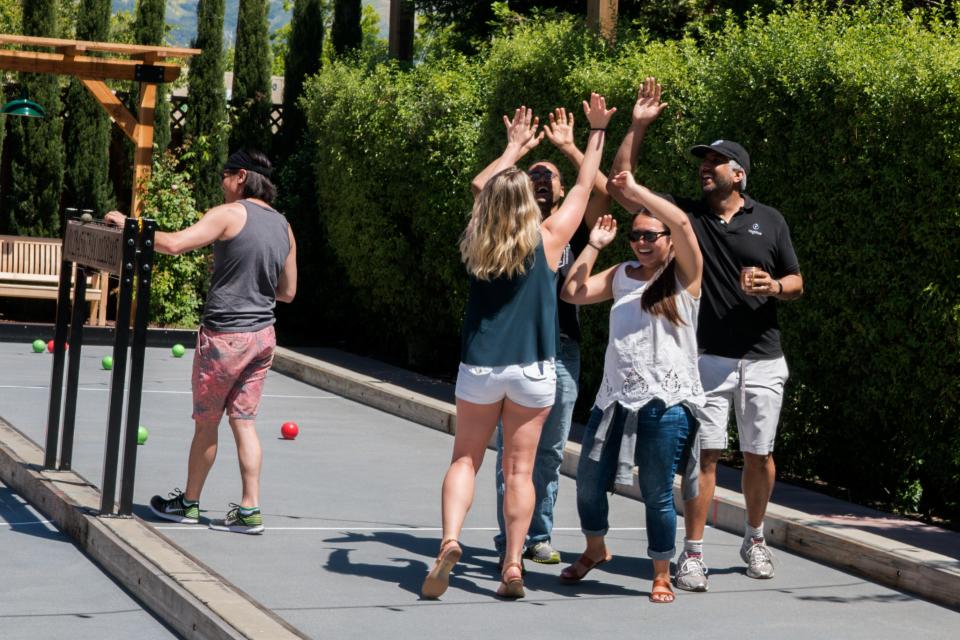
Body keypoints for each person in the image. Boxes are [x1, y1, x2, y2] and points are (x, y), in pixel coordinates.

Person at [608, 78, 804, 591]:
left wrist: (775, 285)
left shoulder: (771, 220)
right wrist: (637, 126)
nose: (704, 167)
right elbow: (621, 184)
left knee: (759, 455)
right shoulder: (685, 218)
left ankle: (755, 538)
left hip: (762, 357)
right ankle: (692, 554)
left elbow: (798, 281)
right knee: (706, 454)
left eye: (714, 161)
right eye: (702, 161)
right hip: (707, 358)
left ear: (738, 174)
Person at [421, 94, 616, 600]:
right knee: (521, 470)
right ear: (530, 203)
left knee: (465, 459)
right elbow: (580, 186)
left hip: (480, 367)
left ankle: (449, 540)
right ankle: (512, 564)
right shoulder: (550, 238)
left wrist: (512, 149)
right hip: (534, 369)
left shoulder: (478, 238)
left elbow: (481, 185)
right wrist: (594, 133)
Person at [105, 149, 298, 535]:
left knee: (207, 422)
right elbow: (288, 292)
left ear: (240, 176)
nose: (222, 184)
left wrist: (130, 226)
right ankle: (249, 510)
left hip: (225, 336)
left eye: (225, 176)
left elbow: (175, 244)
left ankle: (189, 503)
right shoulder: (284, 226)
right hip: (263, 336)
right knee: (244, 421)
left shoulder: (228, 214)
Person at [470, 107, 610, 569]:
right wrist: (518, 149)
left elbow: (601, 190)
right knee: (512, 453)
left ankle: (538, 535)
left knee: (548, 451)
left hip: (562, 348)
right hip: (519, 352)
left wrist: (572, 146)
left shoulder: (573, 226)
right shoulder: (508, 229)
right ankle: (509, 536)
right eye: (534, 175)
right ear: (523, 189)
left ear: (562, 189)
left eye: (551, 176)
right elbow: (481, 188)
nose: (543, 179)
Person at [559, 166, 704, 603]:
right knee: (587, 480)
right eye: (635, 236)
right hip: (615, 397)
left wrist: (636, 191)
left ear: (667, 240)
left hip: (668, 399)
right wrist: (594, 246)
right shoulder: (621, 273)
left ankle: (661, 570)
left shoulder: (685, 277)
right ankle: (595, 549)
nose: (641, 243)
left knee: (657, 491)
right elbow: (572, 292)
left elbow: (681, 222)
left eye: (650, 236)